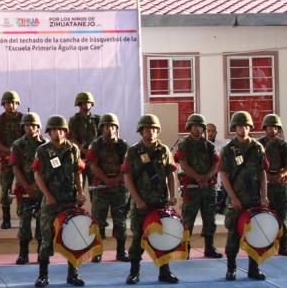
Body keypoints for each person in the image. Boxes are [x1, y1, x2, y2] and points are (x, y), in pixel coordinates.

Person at [123, 114, 179, 285]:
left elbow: (170, 174)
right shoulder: (133, 152)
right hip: (141, 204)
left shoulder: (163, 150)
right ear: (141, 131)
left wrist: (172, 194)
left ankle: (164, 271)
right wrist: (137, 199)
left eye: (154, 129)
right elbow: (128, 177)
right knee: (138, 238)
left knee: (163, 237)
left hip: (160, 202)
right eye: (147, 128)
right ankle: (134, 272)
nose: (151, 131)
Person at [32, 115, 86, 287]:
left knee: (73, 237)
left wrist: (80, 192)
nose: (57, 132)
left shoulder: (73, 149)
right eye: (53, 130)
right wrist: (48, 196)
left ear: (65, 131)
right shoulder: (42, 150)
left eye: (60, 129)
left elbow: (78, 172)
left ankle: (73, 274)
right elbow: (37, 174)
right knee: (46, 238)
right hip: (50, 201)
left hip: (69, 200)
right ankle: (43, 275)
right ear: (49, 132)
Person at [219, 111, 269, 281]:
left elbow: (262, 173)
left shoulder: (257, 148)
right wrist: (233, 197)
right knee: (233, 235)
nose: (244, 129)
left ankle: (253, 269)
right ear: (235, 128)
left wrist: (264, 196)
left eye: (246, 126)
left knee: (255, 235)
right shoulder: (228, 149)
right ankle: (231, 268)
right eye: (240, 126)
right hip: (236, 200)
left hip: (254, 200)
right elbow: (224, 175)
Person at [175, 113, 222, 259]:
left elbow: (216, 164)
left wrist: (206, 177)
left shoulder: (209, 145)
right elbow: (183, 164)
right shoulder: (183, 144)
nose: (198, 129)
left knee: (210, 219)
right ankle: (185, 248)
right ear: (190, 127)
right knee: (188, 219)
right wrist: (197, 178)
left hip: (208, 187)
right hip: (191, 188)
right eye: (194, 125)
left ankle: (209, 247)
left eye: (200, 126)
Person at [86, 113, 130, 263]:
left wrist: (117, 179)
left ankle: (121, 251)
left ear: (116, 128)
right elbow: (93, 166)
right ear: (101, 128)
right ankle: (97, 252)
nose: (109, 129)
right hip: (101, 188)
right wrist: (106, 180)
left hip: (119, 188)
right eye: (106, 126)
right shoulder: (95, 145)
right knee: (98, 221)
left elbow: (127, 167)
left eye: (112, 126)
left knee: (120, 221)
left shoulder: (123, 145)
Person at [9, 112, 46, 265]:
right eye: (26, 126)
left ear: (38, 127)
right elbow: (15, 168)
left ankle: (40, 252)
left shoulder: (45, 145)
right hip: (24, 189)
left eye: (33, 125)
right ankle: (23, 253)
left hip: (42, 189)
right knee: (24, 223)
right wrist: (27, 186)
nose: (30, 128)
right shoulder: (17, 145)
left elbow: (50, 169)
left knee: (42, 222)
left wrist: (37, 186)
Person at [258, 114, 287, 256]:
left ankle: (283, 246)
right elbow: (256, 165)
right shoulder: (258, 144)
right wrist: (266, 178)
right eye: (269, 127)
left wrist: (281, 174)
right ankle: (264, 245)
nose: (272, 129)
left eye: (275, 127)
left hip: (280, 184)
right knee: (264, 216)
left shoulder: (283, 145)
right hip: (264, 185)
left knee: (282, 216)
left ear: (278, 129)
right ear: (265, 128)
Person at [0, 91, 24, 229]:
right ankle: (6, 218)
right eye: (8, 103)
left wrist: (18, 151)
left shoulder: (24, 119)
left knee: (22, 188)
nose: (11, 105)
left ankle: (23, 217)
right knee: (5, 189)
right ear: (3, 105)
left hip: (22, 160)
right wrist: (9, 150)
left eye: (14, 103)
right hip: (6, 159)